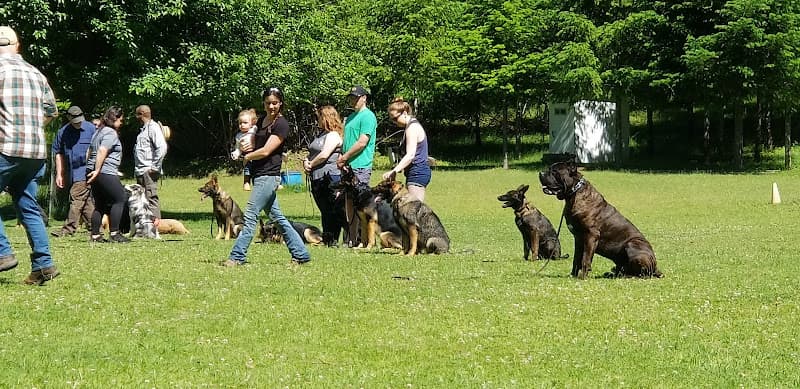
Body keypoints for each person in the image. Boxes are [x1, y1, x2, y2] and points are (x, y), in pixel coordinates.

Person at [223, 87, 310, 266]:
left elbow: (267, 150)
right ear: (263, 103)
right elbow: (253, 142)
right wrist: (244, 148)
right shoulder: (261, 121)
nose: (271, 106)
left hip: (269, 176)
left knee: (251, 216)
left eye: (275, 103)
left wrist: (247, 157)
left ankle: (236, 256)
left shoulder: (281, 124)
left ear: (280, 104)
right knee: (279, 219)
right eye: (268, 103)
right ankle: (301, 254)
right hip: (259, 175)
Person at [0, 26, 60, 284]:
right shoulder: (36, 73)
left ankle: (3, 253)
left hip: (5, 148)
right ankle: (43, 265)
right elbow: (52, 111)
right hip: (35, 153)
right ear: (17, 45)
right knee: (28, 207)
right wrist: (33, 128)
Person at [335, 85, 377, 246]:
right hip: (347, 166)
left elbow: (362, 142)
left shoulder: (368, 116)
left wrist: (345, 157)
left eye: (356, 97)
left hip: (360, 166)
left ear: (364, 98)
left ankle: (363, 239)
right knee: (349, 204)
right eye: (351, 97)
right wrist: (341, 156)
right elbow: (347, 141)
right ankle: (352, 239)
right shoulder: (351, 116)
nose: (353, 100)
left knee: (362, 205)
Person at [51, 105, 96, 237]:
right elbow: (58, 153)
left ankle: (68, 229)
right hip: (72, 172)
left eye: (80, 120)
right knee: (85, 201)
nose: (78, 123)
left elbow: (100, 149)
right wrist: (59, 174)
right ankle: (94, 227)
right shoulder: (63, 132)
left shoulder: (91, 129)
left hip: (86, 171)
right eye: (75, 121)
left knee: (75, 197)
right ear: (69, 118)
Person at [86, 106, 130, 243]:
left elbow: (89, 151)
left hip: (92, 170)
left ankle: (95, 235)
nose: (121, 123)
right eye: (120, 120)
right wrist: (98, 169)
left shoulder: (98, 131)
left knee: (100, 204)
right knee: (120, 198)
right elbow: (102, 150)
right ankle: (115, 233)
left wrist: (90, 168)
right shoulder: (110, 132)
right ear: (115, 118)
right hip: (104, 171)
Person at [303, 105, 345, 246]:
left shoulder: (333, 135)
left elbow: (325, 154)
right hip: (317, 176)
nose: (317, 120)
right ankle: (327, 238)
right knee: (324, 209)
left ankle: (334, 238)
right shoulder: (320, 135)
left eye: (319, 117)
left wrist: (311, 164)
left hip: (330, 176)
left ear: (326, 118)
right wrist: (306, 161)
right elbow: (313, 153)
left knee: (333, 209)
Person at [382, 97, 432, 202]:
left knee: (414, 211)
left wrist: (394, 171)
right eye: (391, 120)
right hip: (415, 172)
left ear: (404, 112)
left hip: (417, 172)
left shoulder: (412, 128)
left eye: (395, 118)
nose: (394, 122)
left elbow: (410, 155)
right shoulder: (410, 126)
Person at [133, 105, 168, 227]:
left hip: (149, 170)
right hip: (140, 170)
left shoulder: (153, 128)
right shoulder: (144, 129)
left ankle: (155, 225)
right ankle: (144, 225)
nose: (135, 117)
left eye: (137, 114)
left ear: (142, 114)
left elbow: (162, 147)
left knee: (151, 196)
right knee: (142, 198)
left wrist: (155, 166)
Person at [230, 108, 257, 191]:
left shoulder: (254, 129)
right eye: (240, 123)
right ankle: (246, 182)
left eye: (245, 123)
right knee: (247, 169)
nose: (242, 125)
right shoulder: (238, 136)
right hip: (247, 156)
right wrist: (236, 154)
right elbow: (238, 148)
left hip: (257, 155)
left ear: (251, 124)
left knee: (258, 171)